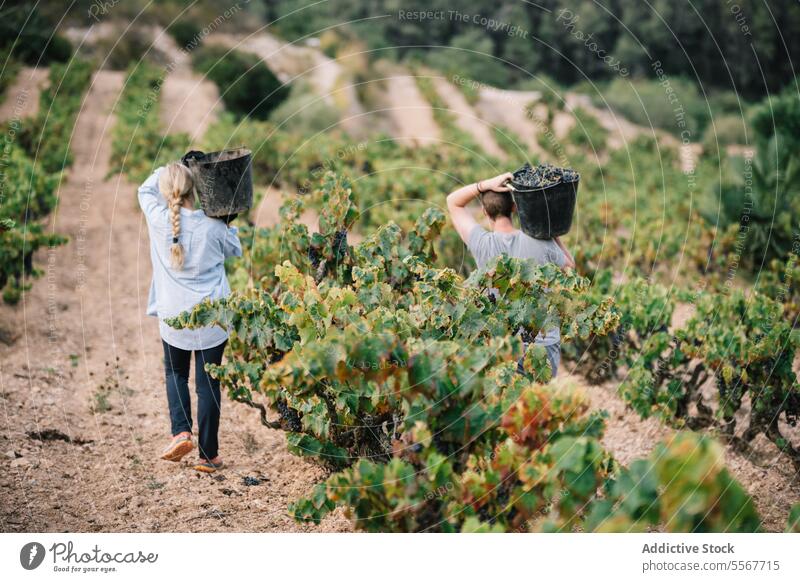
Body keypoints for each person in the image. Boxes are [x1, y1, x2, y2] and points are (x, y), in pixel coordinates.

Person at [138, 162, 242, 473]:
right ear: (195, 188)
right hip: (213, 319)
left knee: (175, 374)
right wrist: (225, 220)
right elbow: (235, 249)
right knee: (208, 384)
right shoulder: (212, 226)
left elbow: (144, 190)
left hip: (173, 317)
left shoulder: (158, 220)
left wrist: (167, 168)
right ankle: (209, 456)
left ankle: (181, 431)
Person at [446, 172, 575, 377]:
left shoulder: (482, 243)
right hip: (545, 342)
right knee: (536, 406)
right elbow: (569, 267)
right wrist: (551, 232)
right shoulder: (541, 240)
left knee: (509, 405)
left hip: (505, 345)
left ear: (484, 211)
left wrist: (485, 184)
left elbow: (452, 202)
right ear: (515, 208)